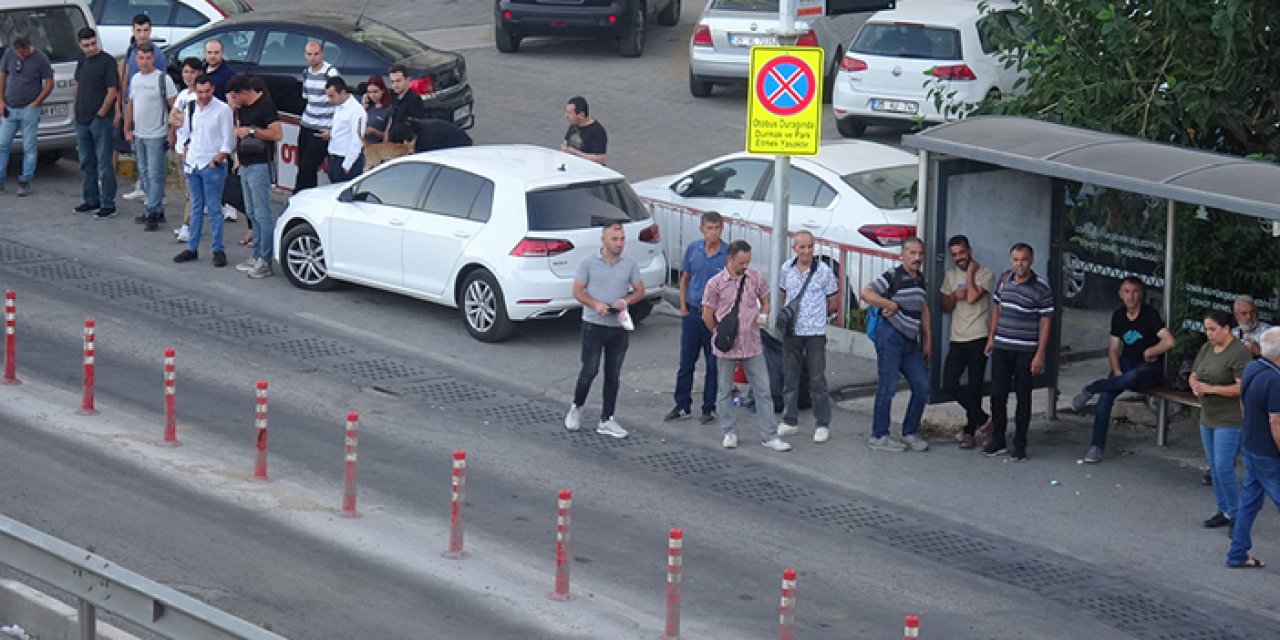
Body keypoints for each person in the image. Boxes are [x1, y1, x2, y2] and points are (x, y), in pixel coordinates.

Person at [1070, 277, 1175, 462]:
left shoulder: (1150, 315)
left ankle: (1091, 388)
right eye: (1126, 292)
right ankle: (1096, 447)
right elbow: (1113, 349)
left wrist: (1150, 351)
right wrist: (1116, 369)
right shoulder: (1118, 316)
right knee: (1106, 398)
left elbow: (1169, 341)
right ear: (1120, 294)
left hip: (1148, 368)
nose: (1131, 296)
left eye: (1135, 292)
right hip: (1126, 363)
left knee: (1132, 376)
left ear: (1141, 294)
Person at [702, 240, 792, 452]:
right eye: (741, 262)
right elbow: (707, 314)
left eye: (748, 262)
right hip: (727, 345)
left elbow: (766, 300)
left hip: (752, 343)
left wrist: (764, 314)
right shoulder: (715, 284)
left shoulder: (755, 277)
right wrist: (719, 333)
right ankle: (729, 432)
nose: (745, 266)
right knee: (724, 389)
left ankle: (769, 435)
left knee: (763, 390)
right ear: (730, 258)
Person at [564, 222, 646, 439]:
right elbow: (577, 291)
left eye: (622, 239)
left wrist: (625, 301)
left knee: (613, 374)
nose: (619, 244)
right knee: (589, 370)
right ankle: (576, 407)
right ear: (603, 240)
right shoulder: (588, 263)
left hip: (618, 326)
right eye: (614, 239)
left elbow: (640, 291)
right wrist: (595, 305)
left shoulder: (629, 264)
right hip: (593, 324)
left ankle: (607, 418)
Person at [983, 243, 1054, 461]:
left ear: (1031, 261)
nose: (1019, 264)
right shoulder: (1004, 279)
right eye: (1015, 259)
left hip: (1025, 350)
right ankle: (998, 439)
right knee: (997, 395)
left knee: (1023, 397)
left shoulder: (1041, 288)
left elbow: (1046, 322)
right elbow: (997, 309)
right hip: (1002, 346)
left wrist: (1040, 354)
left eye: (1023, 260)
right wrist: (991, 338)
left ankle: (1020, 444)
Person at [861, 237, 931, 453]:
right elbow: (866, 292)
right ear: (902, 254)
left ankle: (910, 431)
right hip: (890, 336)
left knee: (922, 386)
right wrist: (889, 304)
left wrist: (928, 340)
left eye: (920, 253)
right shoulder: (893, 275)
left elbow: (924, 309)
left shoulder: (920, 279)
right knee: (888, 386)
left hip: (910, 341)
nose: (917, 257)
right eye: (912, 253)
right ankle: (879, 436)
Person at [664, 211, 727, 425]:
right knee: (686, 363)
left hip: (715, 317)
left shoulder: (727, 254)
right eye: (710, 228)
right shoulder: (693, 249)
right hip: (692, 313)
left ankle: (709, 408)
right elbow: (685, 278)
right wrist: (683, 305)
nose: (713, 232)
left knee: (713, 364)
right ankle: (682, 405)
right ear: (702, 230)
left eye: (717, 228)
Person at [775, 231, 839, 443]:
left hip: (815, 332)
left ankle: (822, 423)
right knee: (790, 377)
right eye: (802, 247)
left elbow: (833, 300)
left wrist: (819, 317)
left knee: (817, 379)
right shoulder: (786, 268)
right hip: (792, 331)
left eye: (810, 246)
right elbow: (785, 294)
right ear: (794, 248)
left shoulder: (824, 271)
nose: (806, 251)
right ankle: (789, 420)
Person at [1190, 309, 1251, 530]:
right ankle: (1223, 509)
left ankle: (1237, 514)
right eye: (1206, 329)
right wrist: (1195, 385)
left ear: (1226, 329)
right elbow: (1194, 373)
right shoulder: (1207, 348)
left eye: (1213, 329)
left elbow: (1241, 387)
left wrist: (1211, 388)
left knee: (1224, 465)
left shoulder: (1239, 352)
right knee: (1214, 466)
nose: (1209, 334)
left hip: (1230, 417)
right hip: (1208, 414)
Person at [1226, 327, 1280, 569]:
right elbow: (1276, 422)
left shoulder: (1252, 368)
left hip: (1250, 445)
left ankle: (1237, 553)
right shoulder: (1275, 381)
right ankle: (1237, 553)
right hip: (1268, 453)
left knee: (1249, 502)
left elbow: (1243, 405)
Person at [940, 235, 995, 449]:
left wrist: (970, 273)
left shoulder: (985, 273)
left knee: (975, 387)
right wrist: (954, 295)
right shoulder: (950, 275)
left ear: (970, 251)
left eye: (961, 253)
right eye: (954, 254)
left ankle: (970, 432)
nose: (958, 258)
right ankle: (984, 420)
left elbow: (972, 297)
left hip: (979, 337)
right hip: (957, 337)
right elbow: (946, 305)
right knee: (949, 383)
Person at [172, 74, 233, 268]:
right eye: (200, 92)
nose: (204, 96)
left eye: (207, 91)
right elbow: (186, 133)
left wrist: (216, 160)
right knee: (196, 207)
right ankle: (192, 247)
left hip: (211, 164)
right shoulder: (191, 107)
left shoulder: (223, 110)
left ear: (213, 89)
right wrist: (185, 153)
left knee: (214, 208)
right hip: (193, 162)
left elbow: (228, 142)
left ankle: (218, 249)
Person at [226, 75, 282, 280]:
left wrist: (251, 131)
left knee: (262, 213)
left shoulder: (265, 106)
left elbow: (276, 134)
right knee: (251, 212)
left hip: (260, 164)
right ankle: (257, 254)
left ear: (243, 93)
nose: (234, 100)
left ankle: (265, 260)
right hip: (246, 164)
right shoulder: (242, 109)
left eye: (235, 96)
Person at [123, 42, 177, 230]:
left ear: (153, 58)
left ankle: (152, 211)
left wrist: (172, 132)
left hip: (157, 134)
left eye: (148, 58)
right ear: (136, 59)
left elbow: (174, 108)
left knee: (155, 175)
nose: (145, 61)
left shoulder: (163, 79)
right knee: (144, 173)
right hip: (139, 134)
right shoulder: (135, 79)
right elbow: (131, 105)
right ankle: (156, 208)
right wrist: (127, 128)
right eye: (141, 58)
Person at [118, 14, 167, 202]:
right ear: (133, 31)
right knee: (139, 153)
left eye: (146, 30)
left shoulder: (157, 55)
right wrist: (123, 102)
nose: (142, 34)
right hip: (133, 105)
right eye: (139, 30)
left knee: (153, 161)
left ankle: (157, 196)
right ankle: (143, 186)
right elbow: (127, 76)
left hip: (151, 112)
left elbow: (161, 84)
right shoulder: (131, 50)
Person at [72, 27, 119, 218]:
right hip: (81, 118)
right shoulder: (82, 60)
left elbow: (112, 91)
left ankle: (108, 203)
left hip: (100, 120)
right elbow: (78, 84)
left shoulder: (107, 61)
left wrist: (101, 114)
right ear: (80, 45)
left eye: (93, 44)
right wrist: (75, 108)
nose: (91, 48)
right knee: (86, 161)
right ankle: (91, 199)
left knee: (104, 163)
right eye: (86, 45)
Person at [0, 34, 54, 197]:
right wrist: (1, 100)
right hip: (10, 107)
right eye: (18, 52)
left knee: (29, 147)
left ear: (28, 47)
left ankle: (25, 181)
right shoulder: (9, 54)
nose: (21, 55)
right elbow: (2, 75)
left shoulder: (40, 58)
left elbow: (49, 82)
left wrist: (37, 102)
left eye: (23, 52)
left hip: (29, 109)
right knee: (2, 145)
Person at [295, 41, 339, 192]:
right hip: (307, 124)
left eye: (316, 54)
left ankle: (299, 194)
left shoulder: (330, 73)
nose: (313, 57)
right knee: (303, 166)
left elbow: (339, 101)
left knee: (308, 166)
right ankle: (307, 195)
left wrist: (332, 129)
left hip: (322, 128)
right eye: (309, 54)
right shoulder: (306, 73)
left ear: (322, 54)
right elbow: (306, 98)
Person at [170, 57, 203, 243]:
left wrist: (181, 118)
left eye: (192, 72)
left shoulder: (200, 97)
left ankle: (187, 226)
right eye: (185, 72)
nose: (188, 76)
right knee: (186, 191)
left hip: (191, 150)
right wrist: (179, 118)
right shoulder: (183, 94)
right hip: (179, 146)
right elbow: (172, 118)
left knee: (192, 194)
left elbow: (192, 123)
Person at [322, 76, 365, 183]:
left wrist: (347, 165)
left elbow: (357, 140)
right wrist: (331, 134)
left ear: (342, 92)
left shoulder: (356, 111)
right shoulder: (339, 106)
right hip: (335, 158)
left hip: (347, 161)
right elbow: (342, 130)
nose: (330, 100)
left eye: (332, 96)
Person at [385, 64, 425, 145]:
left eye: (398, 81)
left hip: (405, 146)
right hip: (392, 145)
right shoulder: (394, 97)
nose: (395, 85)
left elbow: (416, 128)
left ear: (408, 80)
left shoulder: (414, 100)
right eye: (392, 82)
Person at [560, 96, 606, 164]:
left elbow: (600, 159)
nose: (566, 116)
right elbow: (566, 142)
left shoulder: (597, 131)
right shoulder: (574, 125)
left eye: (570, 113)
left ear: (581, 115)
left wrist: (575, 153)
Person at [361, 74, 391, 144]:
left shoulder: (388, 109)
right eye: (369, 92)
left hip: (377, 147)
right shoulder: (368, 106)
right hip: (362, 146)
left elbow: (389, 136)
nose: (372, 95)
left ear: (382, 91)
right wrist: (363, 107)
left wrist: (375, 132)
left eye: (375, 92)